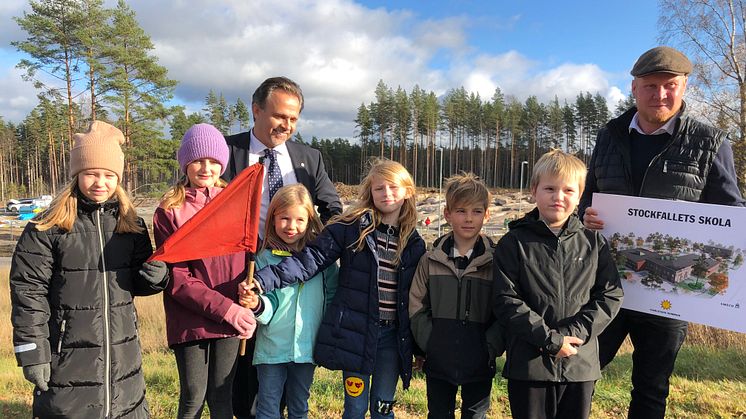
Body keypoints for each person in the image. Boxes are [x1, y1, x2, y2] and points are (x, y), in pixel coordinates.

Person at [579, 46, 745, 419]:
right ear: (634, 88)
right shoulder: (609, 135)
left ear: (684, 86)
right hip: (605, 284)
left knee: (652, 389)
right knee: (581, 375)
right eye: (650, 86)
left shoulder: (710, 142)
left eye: (669, 85)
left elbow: (731, 214)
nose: (660, 95)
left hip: (668, 296)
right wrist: (585, 219)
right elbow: (587, 199)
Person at [10, 120, 169, 418]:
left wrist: (156, 277)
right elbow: (28, 292)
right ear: (76, 174)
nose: (100, 182)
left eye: (109, 175)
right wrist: (32, 352)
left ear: (118, 178)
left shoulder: (132, 225)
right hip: (67, 361)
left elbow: (139, 281)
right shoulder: (46, 227)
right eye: (91, 173)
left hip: (123, 362)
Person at [246, 158, 426, 419]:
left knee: (383, 408)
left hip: (391, 340)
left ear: (408, 191)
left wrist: (418, 348)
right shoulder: (350, 229)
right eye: (379, 188)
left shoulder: (414, 243)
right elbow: (310, 261)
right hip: (357, 335)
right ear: (370, 192)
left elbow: (416, 299)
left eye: (394, 187)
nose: (386, 194)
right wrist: (264, 280)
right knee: (355, 407)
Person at [224, 76, 342, 419]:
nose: (286, 126)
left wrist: (313, 256)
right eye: (279, 116)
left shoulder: (309, 158)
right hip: (238, 274)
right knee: (242, 372)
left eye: (293, 119)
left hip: (292, 278)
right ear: (257, 109)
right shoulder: (225, 151)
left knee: (288, 385)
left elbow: (333, 211)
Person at [494, 149, 624, 419]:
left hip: (580, 363)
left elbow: (610, 295)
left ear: (580, 195)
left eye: (568, 190)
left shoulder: (594, 243)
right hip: (529, 365)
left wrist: (572, 336)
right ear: (534, 190)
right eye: (550, 188)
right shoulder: (514, 243)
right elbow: (506, 300)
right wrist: (551, 341)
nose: (558, 197)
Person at [152, 123, 257, 418]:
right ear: (186, 163)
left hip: (231, 316)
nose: (206, 167)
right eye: (198, 160)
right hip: (190, 319)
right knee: (193, 398)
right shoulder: (169, 210)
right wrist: (227, 309)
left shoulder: (235, 203)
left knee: (222, 395)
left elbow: (249, 257)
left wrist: (252, 289)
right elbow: (177, 278)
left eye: (213, 161)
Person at [239, 184, 338, 419]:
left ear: (310, 221)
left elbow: (332, 297)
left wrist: (327, 334)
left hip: (307, 349)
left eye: (299, 220)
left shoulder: (322, 262)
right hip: (271, 348)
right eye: (284, 218)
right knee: (267, 406)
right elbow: (267, 306)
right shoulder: (263, 260)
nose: (291, 227)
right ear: (273, 218)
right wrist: (255, 305)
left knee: (299, 406)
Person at [409, 172, 503, 419]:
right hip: (439, 360)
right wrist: (430, 342)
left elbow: (506, 308)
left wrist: (490, 346)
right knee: (439, 413)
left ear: (487, 214)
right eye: (461, 211)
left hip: (480, 360)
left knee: (475, 414)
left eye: (476, 211)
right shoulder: (430, 260)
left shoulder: (497, 262)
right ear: (447, 214)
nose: (469, 219)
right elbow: (416, 304)